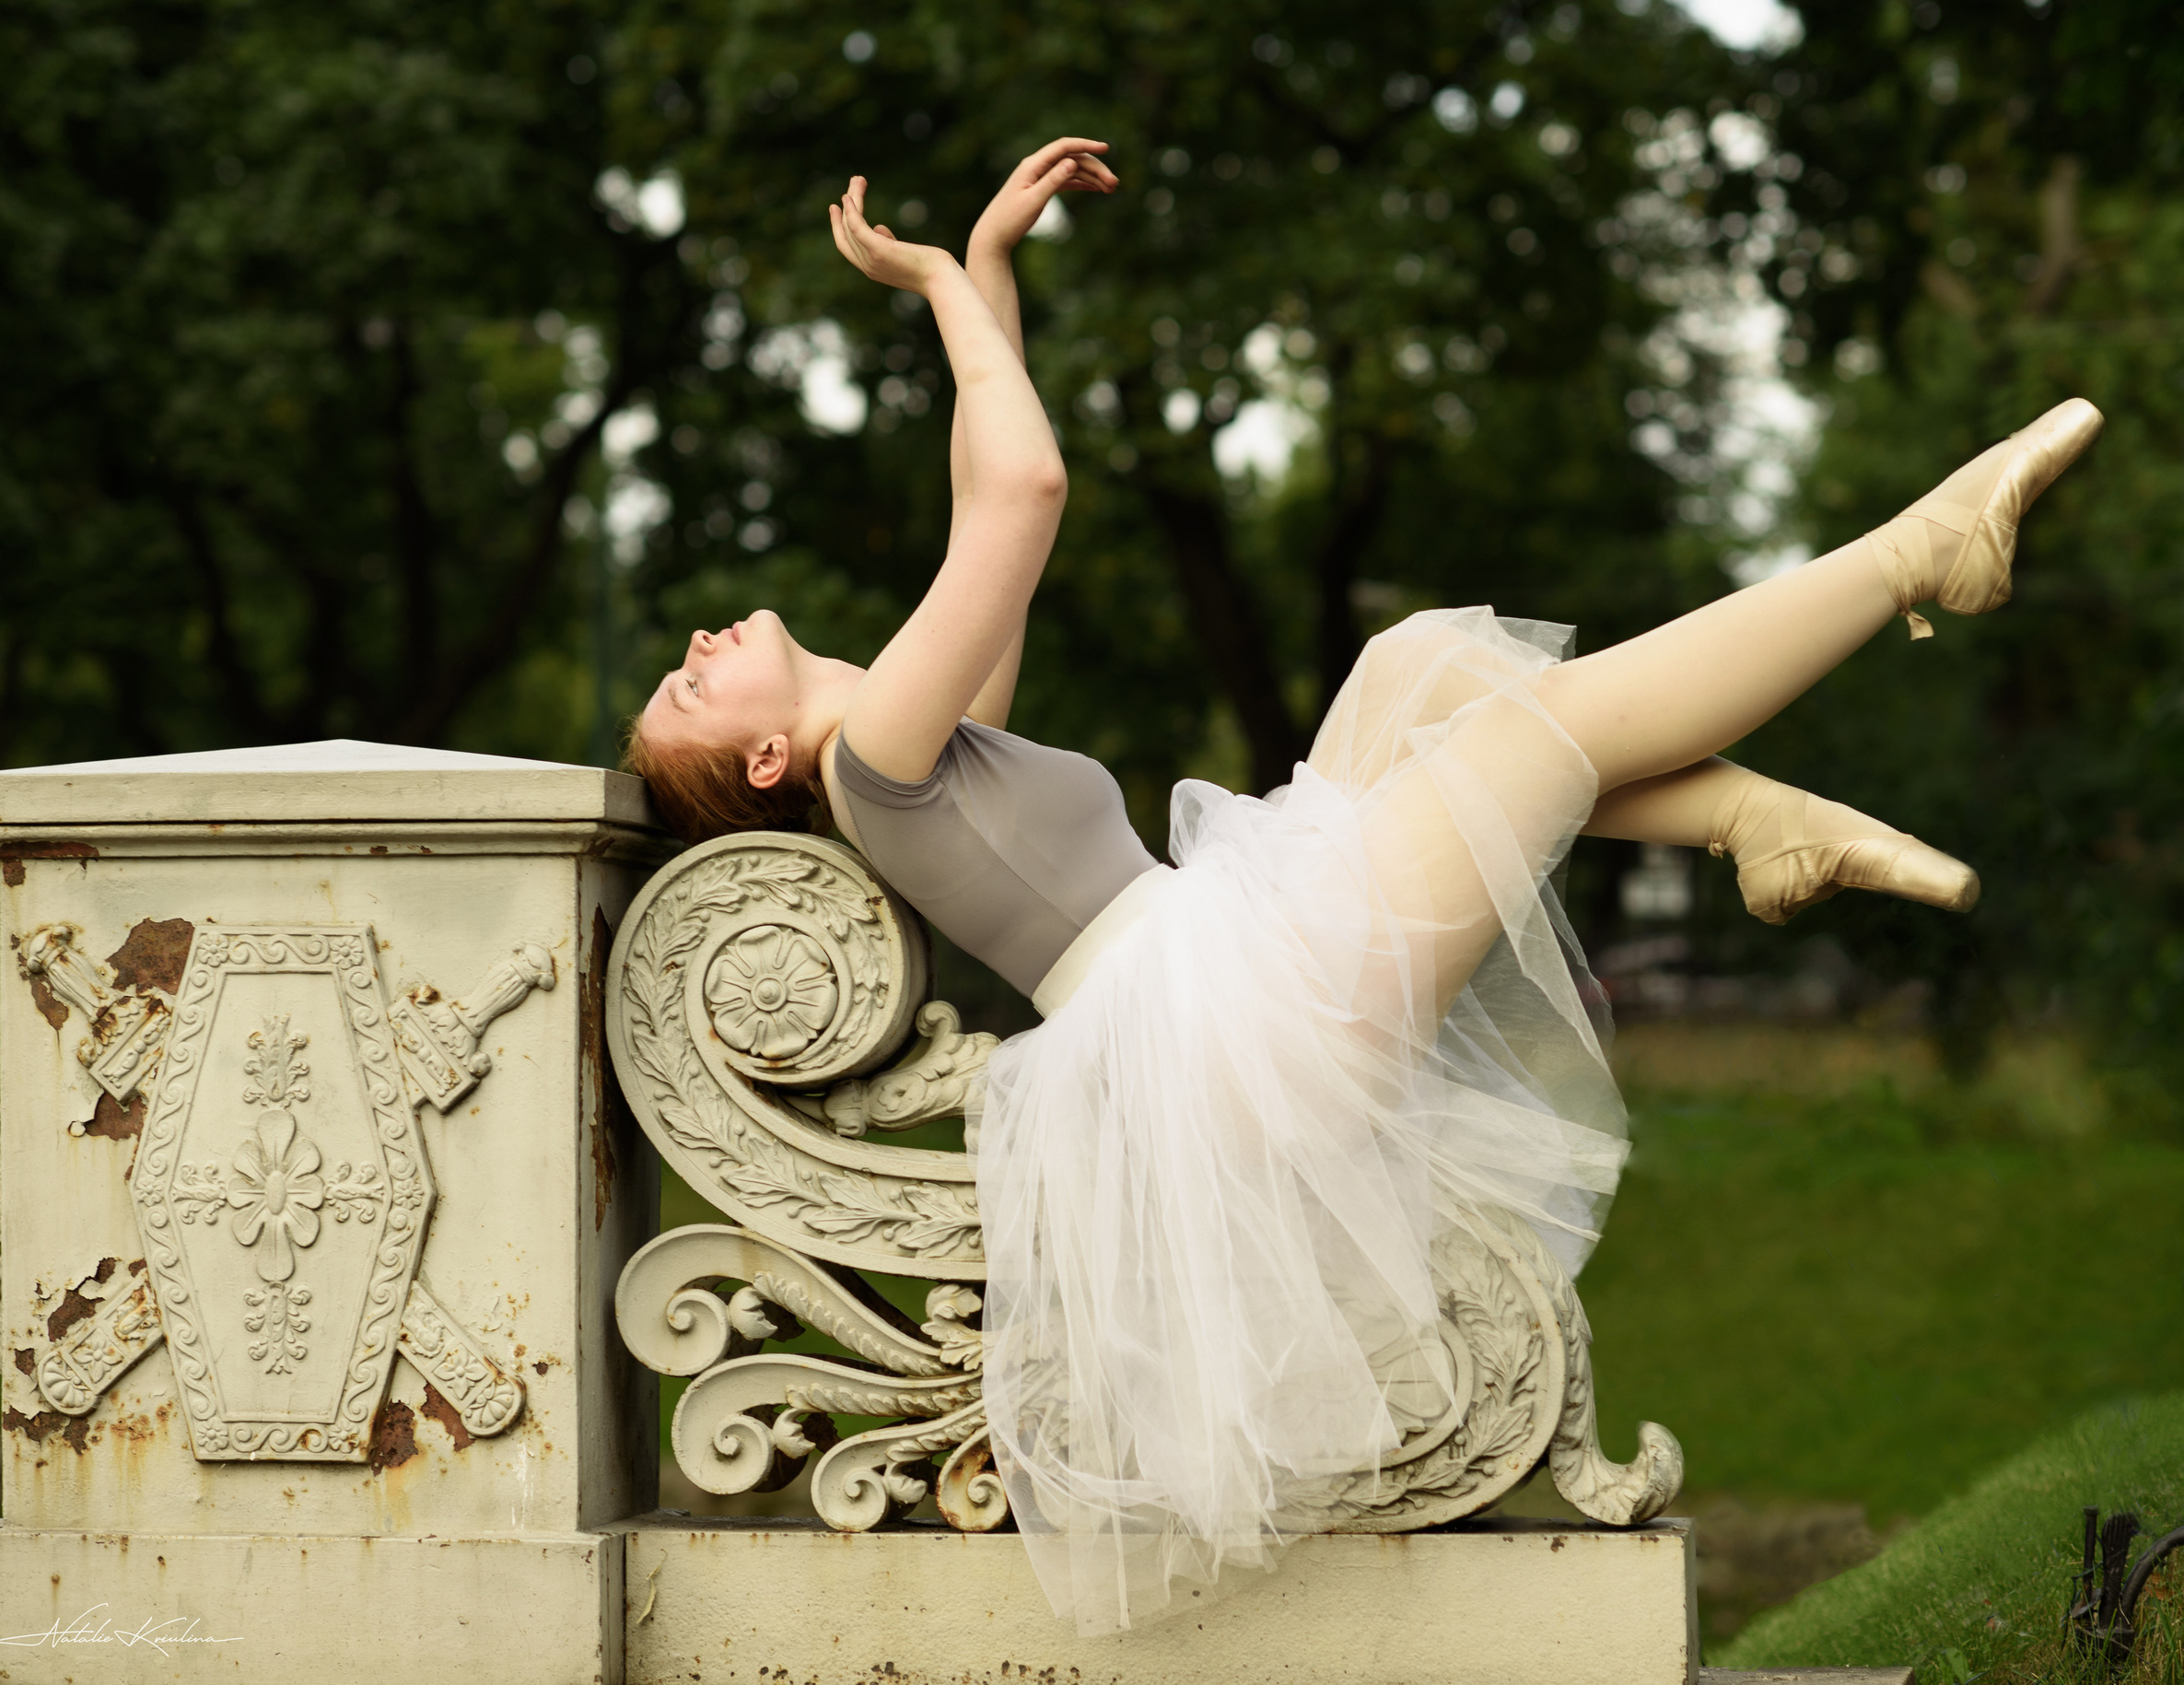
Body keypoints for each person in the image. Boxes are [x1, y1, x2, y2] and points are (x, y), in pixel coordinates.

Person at [625, 138, 2102, 1633]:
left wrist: (994, 273)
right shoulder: (877, 760)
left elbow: (980, 518)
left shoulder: (913, 751)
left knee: (1423, 668)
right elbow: (1026, 486)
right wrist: (938, 282)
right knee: (1543, 729)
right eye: (684, 697)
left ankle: (1748, 824)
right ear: (762, 766)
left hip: (1214, 970)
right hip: (1224, 1019)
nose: (689, 654)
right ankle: (1914, 556)